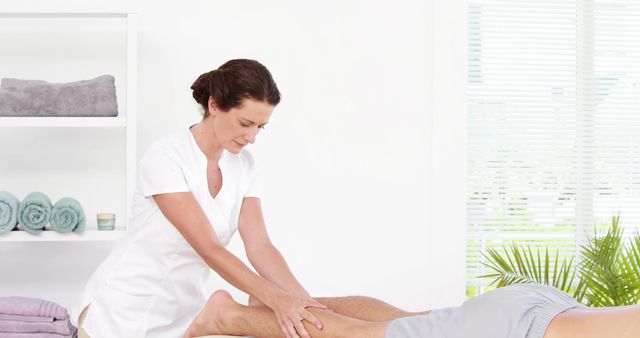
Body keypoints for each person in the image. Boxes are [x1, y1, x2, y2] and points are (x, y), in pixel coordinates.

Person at [73, 59, 327, 338]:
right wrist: (275, 298)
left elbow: (260, 246)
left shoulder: (244, 166)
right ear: (214, 105)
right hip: (120, 317)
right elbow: (208, 246)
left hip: (184, 319)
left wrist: (306, 302)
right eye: (246, 123)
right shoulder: (166, 157)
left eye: (260, 127)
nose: (252, 137)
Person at [184, 283, 640, 338]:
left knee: (403, 320)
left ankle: (264, 304)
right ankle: (227, 317)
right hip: (517, 329)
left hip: (544, 306)